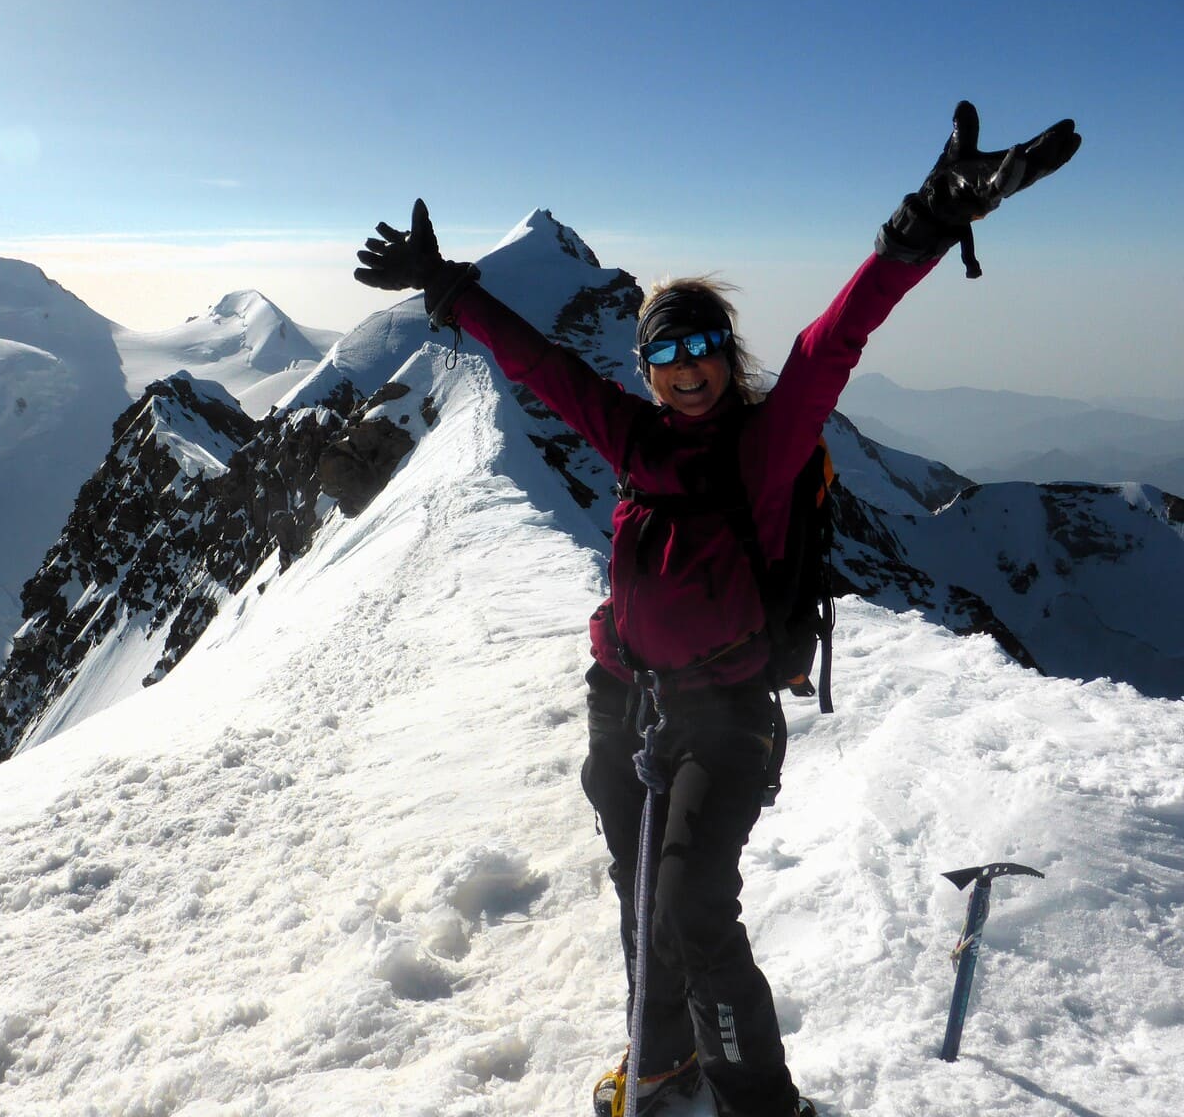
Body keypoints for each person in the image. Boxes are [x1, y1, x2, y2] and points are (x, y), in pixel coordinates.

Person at [353, 102, 1080, 1117]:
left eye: (702, 346)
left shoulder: (767, 442)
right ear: (644, 368)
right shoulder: (629, 437)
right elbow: (541, 369)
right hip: (625, 698)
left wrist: (921, 223)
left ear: (725, 358)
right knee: (642, 895)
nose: (686, 365)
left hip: (730, 713)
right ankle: (658, 1062)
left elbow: (837, 337)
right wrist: (448, 288)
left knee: (693, 901)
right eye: (665, 351)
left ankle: (757, 1099)